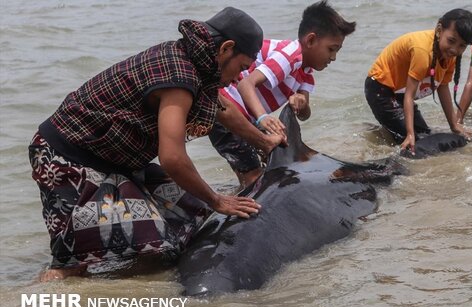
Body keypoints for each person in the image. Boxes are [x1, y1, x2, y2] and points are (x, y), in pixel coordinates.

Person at [28, 7, 285, 281]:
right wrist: (217, 199)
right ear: (226, 48)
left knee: (193, 214)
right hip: (66, 157)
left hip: (115, 163)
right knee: (91, 256)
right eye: (241, 67)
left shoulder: (195, 63)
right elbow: (172, 158)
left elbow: (223, 110)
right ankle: (50, 297)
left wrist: (264, 142)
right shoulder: (179, 75)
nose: (238, 78)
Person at [209, 0, 356, 188]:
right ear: (310, 40)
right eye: (331, 49)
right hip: (225, 110)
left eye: (337, 51)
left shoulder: (307, 74)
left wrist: (302, 102)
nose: (333, 57)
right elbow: (246, 84)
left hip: (246, 117)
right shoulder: (291, 54)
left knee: (278, 155)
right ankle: (245, 205)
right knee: (253, 176)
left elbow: (304, 115)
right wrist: (262, 117)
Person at [365, 9, 472, 156]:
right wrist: (410, 134)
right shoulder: (423, 52)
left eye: (462, 46)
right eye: (451, 41)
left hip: (400, 91)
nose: (454, 49)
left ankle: (380, 132)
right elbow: (409, 96)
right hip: (380, 88)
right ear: (439, 29)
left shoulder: (449, 56)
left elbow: (443, 88)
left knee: (425, 133)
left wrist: (454, 125)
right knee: (415, 142)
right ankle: (376, 137)